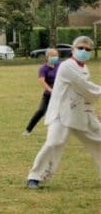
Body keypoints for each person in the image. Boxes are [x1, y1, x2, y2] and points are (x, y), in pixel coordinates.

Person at [26, 36, 101, 189]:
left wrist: (93, 112)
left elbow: (86, 93)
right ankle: (35, 177)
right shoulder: (67, 66)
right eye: (80, 48)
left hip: (81, 113)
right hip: (62, 113)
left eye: (87, 49)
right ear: (73, 50)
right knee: (54, 142)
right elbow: (85, 87)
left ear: (92, 52)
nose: (83, 51)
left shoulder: (84, 68)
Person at [24, 49, 60, 136]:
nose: (54, 57)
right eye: (52, 56)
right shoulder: (43, 69)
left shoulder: (60, 65)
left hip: (60, 95)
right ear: (47, 57)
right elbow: (42, 81)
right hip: (48, 95)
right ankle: (28, 130)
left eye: (56, 55)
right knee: (41, 111)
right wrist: (50, 90)